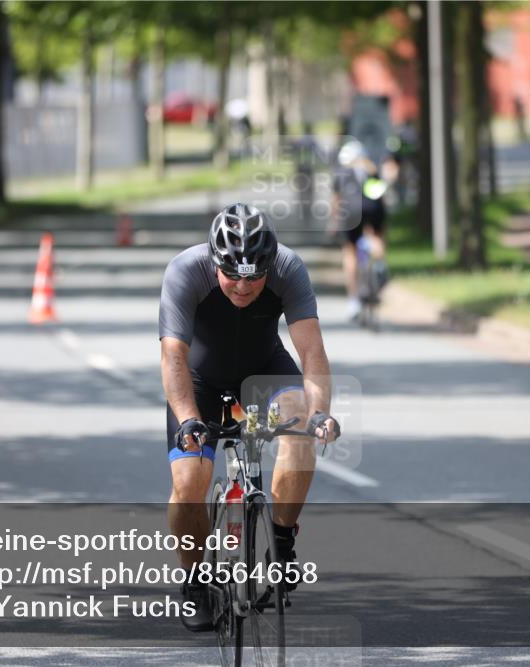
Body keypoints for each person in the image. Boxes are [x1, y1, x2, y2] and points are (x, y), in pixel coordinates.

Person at [159, 203, 341, 632]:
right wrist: (188, 420)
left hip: (264, 371)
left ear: (269, 265)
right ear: (214, 260)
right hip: (199, 382)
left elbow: (311, 351)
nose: (243, 286)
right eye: (232, 275)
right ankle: (194, 583)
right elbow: (172, 356)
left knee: (300, 429)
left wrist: (319, 415)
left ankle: (280, 541)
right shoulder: (186, 271)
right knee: (188, 484)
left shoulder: (288, 269)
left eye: (255, 276)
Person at [330, 139, 397, 320]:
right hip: (372, 207)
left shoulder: (340, 172)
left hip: (350, 211)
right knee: (375, 235)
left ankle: (353, 301)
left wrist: (334, 223)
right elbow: (380, 192)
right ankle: (381, 266)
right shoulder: (370, 167)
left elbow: (336, 202)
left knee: (350, 252)